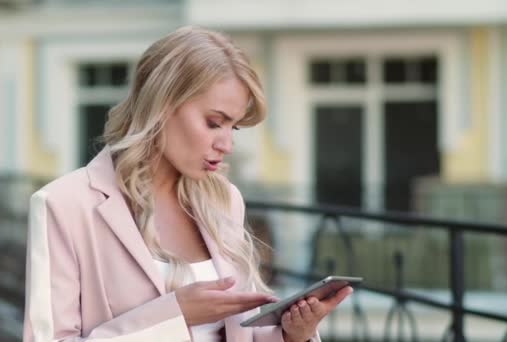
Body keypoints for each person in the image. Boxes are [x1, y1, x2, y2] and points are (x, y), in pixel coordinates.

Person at [23, 26, 352, 342]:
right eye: (214, 123)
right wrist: (172, 315)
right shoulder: (64, 204)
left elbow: (238, 332)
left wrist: (293, 334)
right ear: (162, 104)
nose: (226, 144)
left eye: (233, 128)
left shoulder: (224, 199)